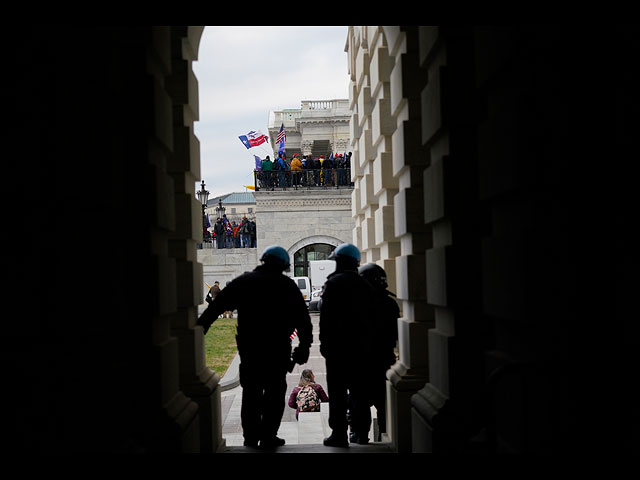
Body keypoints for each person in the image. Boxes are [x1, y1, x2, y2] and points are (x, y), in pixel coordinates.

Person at [197, 245, 313, 449]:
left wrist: (200, 330)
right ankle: (268, 435)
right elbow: (303, 321)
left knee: (251, 394)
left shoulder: (244, 282)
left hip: (250, 351)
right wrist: (303, 347)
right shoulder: (287, 286)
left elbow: (216, 307)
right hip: (277, 351)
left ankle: (250, 437)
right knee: (275, 394)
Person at [319, 243, 376, 447]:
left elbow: (325, 320)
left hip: (338, 350)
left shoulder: (333, 284)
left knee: (337, 393)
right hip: (362, 349)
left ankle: (339, 434)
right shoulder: (366, 286)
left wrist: (324, 345)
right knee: (360, 392)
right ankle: (361, 432)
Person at [358, 263, 400, 441]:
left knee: (359, 401)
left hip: (363, 361)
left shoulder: (360, 305)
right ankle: (384, 433)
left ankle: (360, 435)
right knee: (383, 404)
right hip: (384, 359)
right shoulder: (391, 304)